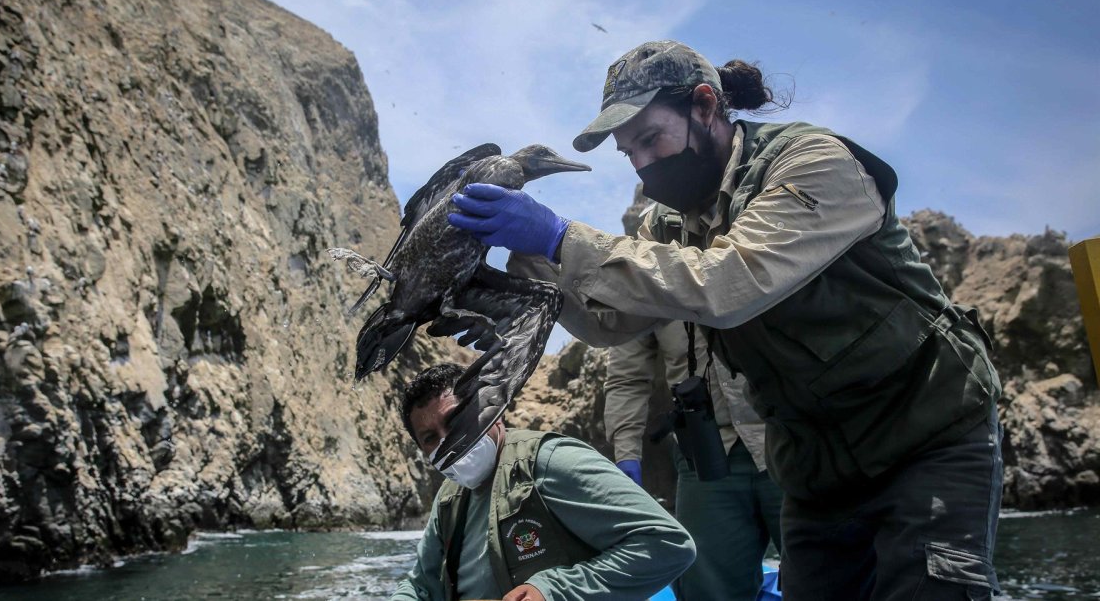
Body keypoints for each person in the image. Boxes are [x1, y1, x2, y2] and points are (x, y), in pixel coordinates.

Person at [444, 40, 1003, 600]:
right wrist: (534, 269)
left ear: (706, 107)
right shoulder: (672, 221)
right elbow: (608, 325)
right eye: (628, 152)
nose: (641, 162)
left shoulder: (815, 164)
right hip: (815, 465)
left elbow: (728, 284)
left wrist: (560, 235)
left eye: (650, 139)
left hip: (924, 436)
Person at [390, 362, 696, 601]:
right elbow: (421, 586)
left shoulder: (548, 460)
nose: (448, 440)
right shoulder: (449, 498)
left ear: (492, 410)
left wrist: (551, 591)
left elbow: (669, 543)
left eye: (455, 420)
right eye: (431, 438)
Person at [606, 321, 783, 600]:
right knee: (704, 585)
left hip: (790, 435)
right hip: (704, 454)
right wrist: (626, 453)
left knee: (829, 571)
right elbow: (627, 376)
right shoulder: (640, 286)